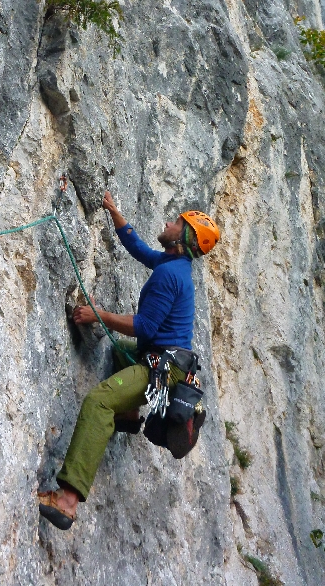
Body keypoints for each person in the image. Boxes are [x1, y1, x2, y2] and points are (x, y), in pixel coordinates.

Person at [38, 190, 220, 530]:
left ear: (182, 238)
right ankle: (128, 415)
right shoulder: (172, 263)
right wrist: (114, 212)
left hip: (163, 370)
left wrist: (97, 314)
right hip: (161, 360)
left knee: (97, 402)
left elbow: (145, 325)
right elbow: (139, 250)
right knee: (119, 350)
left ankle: (66, 501)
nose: (168, 222)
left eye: (176, 222)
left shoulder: (171, 276)